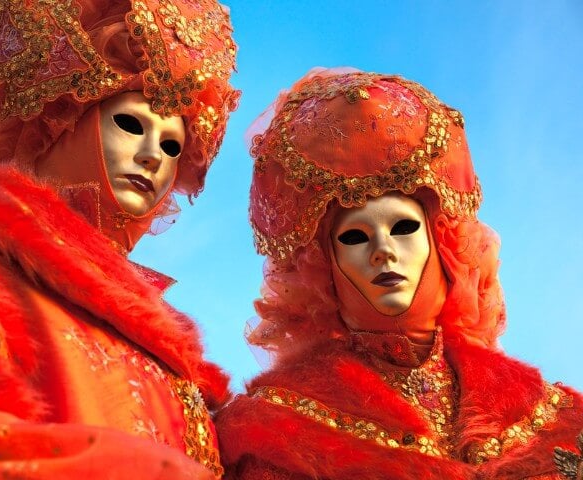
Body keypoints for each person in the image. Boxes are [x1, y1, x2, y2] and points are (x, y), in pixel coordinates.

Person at [0, 1, 238, 478]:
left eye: (171, 146)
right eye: (130, 124)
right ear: (60, 126)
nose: (152, 157)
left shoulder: (174, 359)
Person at [215, 69, 583, 479]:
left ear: (441, 243)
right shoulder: (278, 422)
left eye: (404, 228)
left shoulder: (550, 411)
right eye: (355, 237)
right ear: (326, 267)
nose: (383, 251)